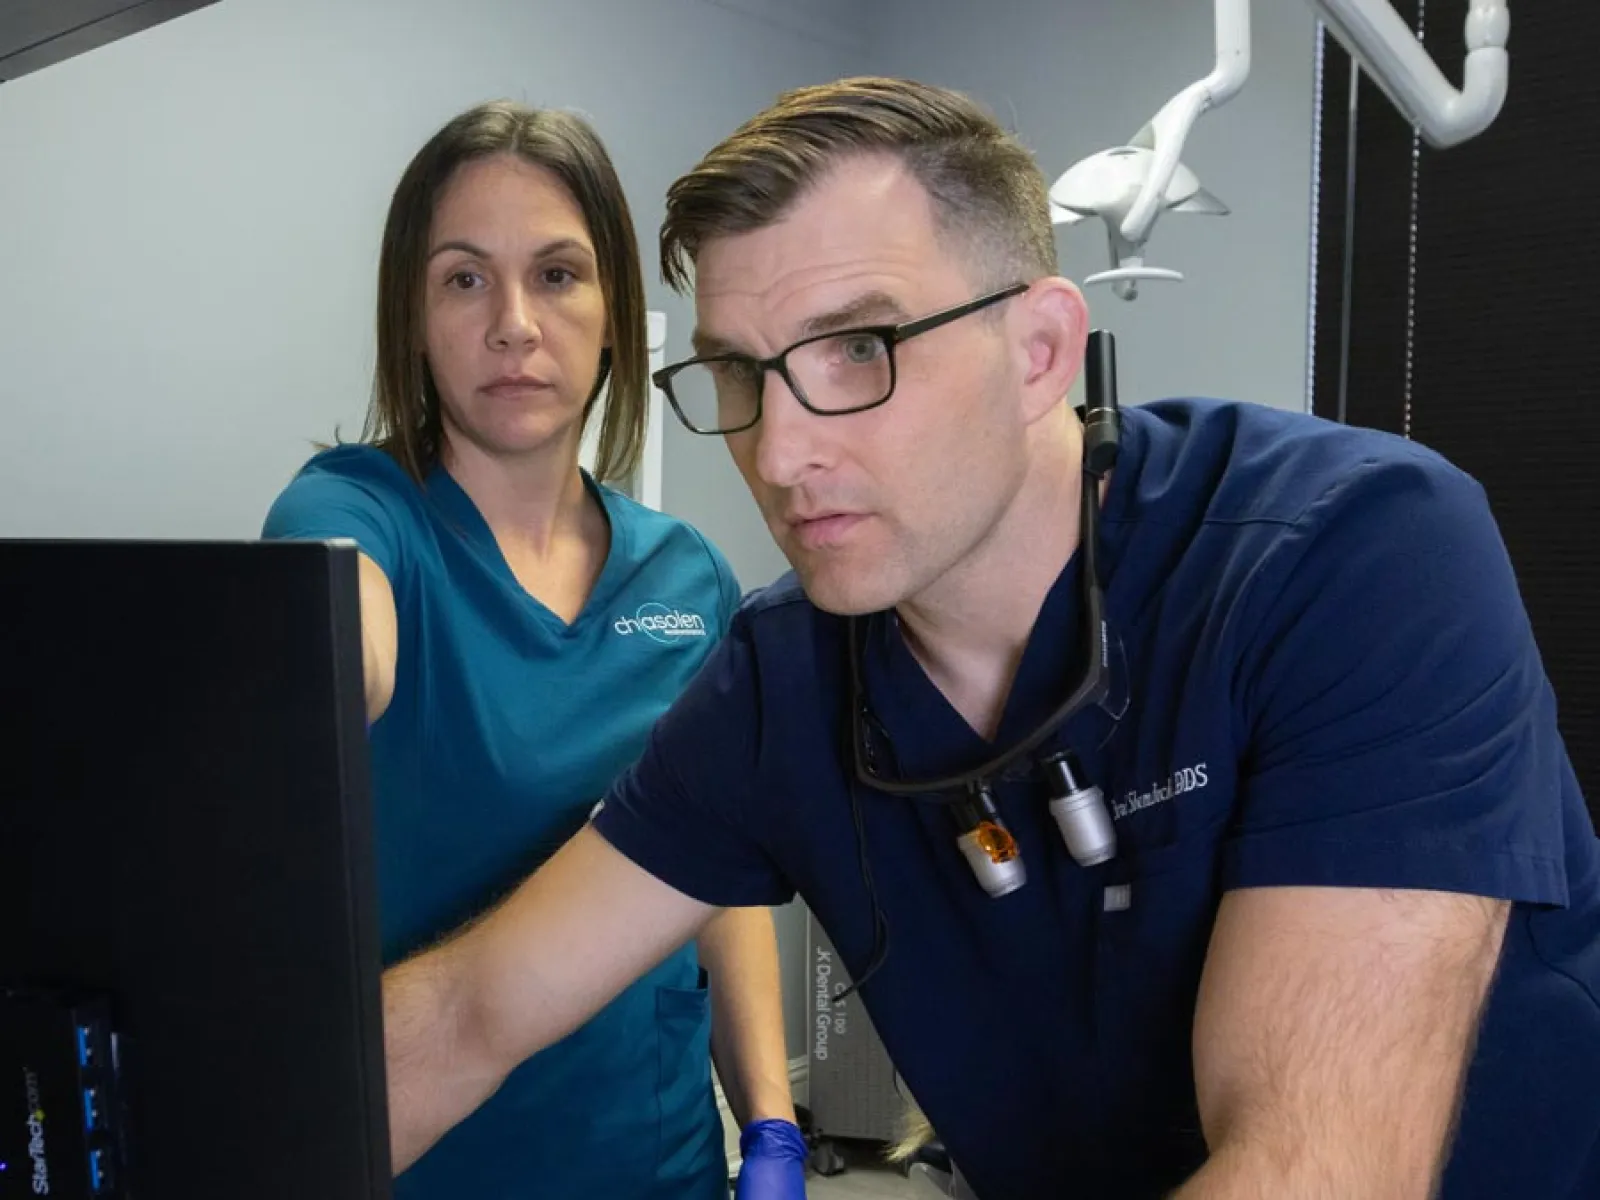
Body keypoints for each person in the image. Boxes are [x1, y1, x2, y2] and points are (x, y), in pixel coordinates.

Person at [377, 78, 1600, 1199]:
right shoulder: (783, 685)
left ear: (1041, 352)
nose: (781, 454)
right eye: (740, 373)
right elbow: (468, 1014)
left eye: (859, 349)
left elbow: (1313, 1168)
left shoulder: (1354, 556)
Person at [261, 101, 806, 1199]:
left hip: (658, 1160)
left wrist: (772, 1123)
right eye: (464, 279)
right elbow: (325, 661)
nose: (513, 322)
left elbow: (714, 869)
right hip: (433, 1158)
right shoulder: (358, 517)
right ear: (411, 318)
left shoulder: (685, 578)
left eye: (557, 274)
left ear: (615, 312)